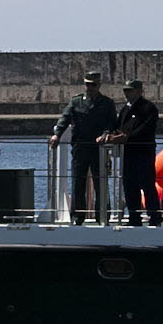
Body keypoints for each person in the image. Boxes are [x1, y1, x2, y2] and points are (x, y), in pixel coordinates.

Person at [50, 72, 118, 224]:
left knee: (101, 184)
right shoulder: (76, 102)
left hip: (99, 149)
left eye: (93, 85)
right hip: (80, 147)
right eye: (87, 84)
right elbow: (64, 119)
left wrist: (106, 134)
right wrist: (57, 135)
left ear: (99, 85)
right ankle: (77, 217)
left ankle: (103, 216)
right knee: (78, 183)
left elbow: (112, 123)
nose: (90, 88)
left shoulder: (107, 103)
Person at [109, 78, 163, 228]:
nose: (126, 94)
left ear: (139, 91)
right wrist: (110, 134)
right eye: (125, 91)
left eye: (130, 90)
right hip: (129, 153)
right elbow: (118, 126)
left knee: (147, 185)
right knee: (129, 185)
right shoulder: (125, 109)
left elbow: (146, 128)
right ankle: (134, 216)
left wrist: (127, 137)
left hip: (144, 152)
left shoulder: (149, 108)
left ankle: (154, 216)